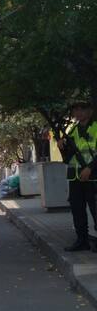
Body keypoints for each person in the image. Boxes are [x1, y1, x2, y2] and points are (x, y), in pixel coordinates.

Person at [60, 99, 97, 251]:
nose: (79, 112)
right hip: (75, 176)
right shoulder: (73, 130)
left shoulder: (95, 128)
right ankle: (82, 241)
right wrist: (62, 147)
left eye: (82, 109)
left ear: (90, 111)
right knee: (77, 210)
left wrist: (90, 168)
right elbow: (67, 158)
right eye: (76, 110)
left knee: (95, 208)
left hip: (93, 175)